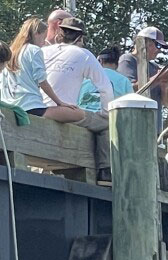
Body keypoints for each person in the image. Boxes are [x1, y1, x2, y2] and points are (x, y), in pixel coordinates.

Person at [42, 18, 114, 182]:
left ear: (60, 33)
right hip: (63, 113)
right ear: (80, 38)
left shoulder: (43, 52)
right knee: (109, 123)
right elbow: (105, 88)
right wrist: (105, 114)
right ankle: (105, 171)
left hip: (37, 109)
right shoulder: (84, 55)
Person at [0, 17, 83, 122]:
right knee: (79, 114)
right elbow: (42, 82)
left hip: (9, 105)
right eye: (43, 38)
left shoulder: (11, 51)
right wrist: (59, 102)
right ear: (36, 34)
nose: (43, 43)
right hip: (31, 107)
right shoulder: (34, 50)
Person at [117, 26, 168, 132]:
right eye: (158, 45)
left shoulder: (155, 67)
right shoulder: (127, 60)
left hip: (154, 128)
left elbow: (166, 102)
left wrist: (165, 83)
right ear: (145, 42)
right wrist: (158, 78)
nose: (159, 50)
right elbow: (129, 90)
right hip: (134, 127)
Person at [78, 46, 133, 112]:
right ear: (117, 64)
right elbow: (130, 108)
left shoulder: (85, 79)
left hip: (84, 119)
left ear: (100, 61)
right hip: (111, 119)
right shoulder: (125, 82)